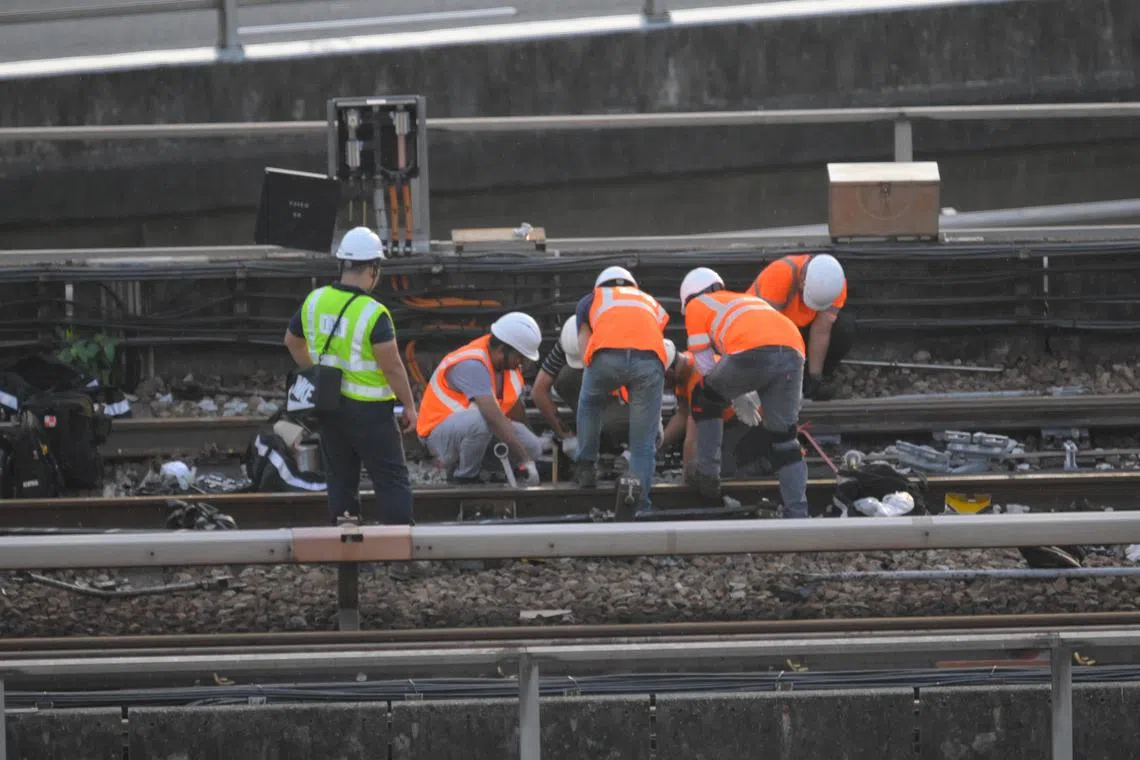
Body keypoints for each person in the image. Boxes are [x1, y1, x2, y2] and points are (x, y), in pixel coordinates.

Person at [283, 226, 418, 525]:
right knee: (390, 478)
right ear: (373, 269)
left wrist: (315, 372)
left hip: (329, 406)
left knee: (341, 478)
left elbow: (292, 342)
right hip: (371, 411)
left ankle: (347, 554)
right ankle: (398, 559)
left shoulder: (315, 301)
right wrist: (409, 405)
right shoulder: (374, 313)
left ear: (343, 264)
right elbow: (393, 366)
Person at [680, 266, 809, 518]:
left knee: (703, 397)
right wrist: (742, 388)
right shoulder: (748, 300)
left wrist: (735, 392)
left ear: (689, 296)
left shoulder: (697, 305)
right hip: (794, 349)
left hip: (751, 349)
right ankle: (798, 512)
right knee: (785, 439)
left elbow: (706, 368)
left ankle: (707, 477)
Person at [574, 266, 669, 512]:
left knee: (589, 404)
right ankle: (640, 507)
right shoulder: (650, 301)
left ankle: (585, 466)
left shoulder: (591, 299)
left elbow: (585, 349)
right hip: (650, 360)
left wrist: (596, 378)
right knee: (642, 444)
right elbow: (652, 337)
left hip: (605, 356)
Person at [416, 312, 545, 486]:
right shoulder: (472, 364)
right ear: (501, 350)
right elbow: (492, 418)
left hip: (472, 435)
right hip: (439, 437)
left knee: (533, 446)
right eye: (519, 356)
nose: (521, 363)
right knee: (482, 421)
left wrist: (528, 451)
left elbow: (514, 409)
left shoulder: (507, 368)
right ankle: (464, 477)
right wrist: (524, 460)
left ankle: (488, 472)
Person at [750, 253, 854, 401]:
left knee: (844, 328)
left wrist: (815, 377)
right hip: (758, 333)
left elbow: (821, 330)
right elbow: (768, 332)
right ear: (802, 281)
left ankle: (809, 380)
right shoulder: (780, 274)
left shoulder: (836, 285)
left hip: (796, 327)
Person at [531, 316, 632, 461]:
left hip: (621, 400)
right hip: (597, 396)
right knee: (565, 377)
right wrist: (566, 436)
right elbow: (538, 391)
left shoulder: (622, 346)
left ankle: (611, 430)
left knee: (611, 424)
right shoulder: (568, 341)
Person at [661, 349, 757, 498]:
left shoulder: (697, 378)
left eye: (665, 380)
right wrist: (658, 443)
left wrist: (684, 483)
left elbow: (693, 438)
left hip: (744, 419)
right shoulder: (684, 368)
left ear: (672, 372)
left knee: (721, 471)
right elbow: (682, 414)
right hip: (721, 419)